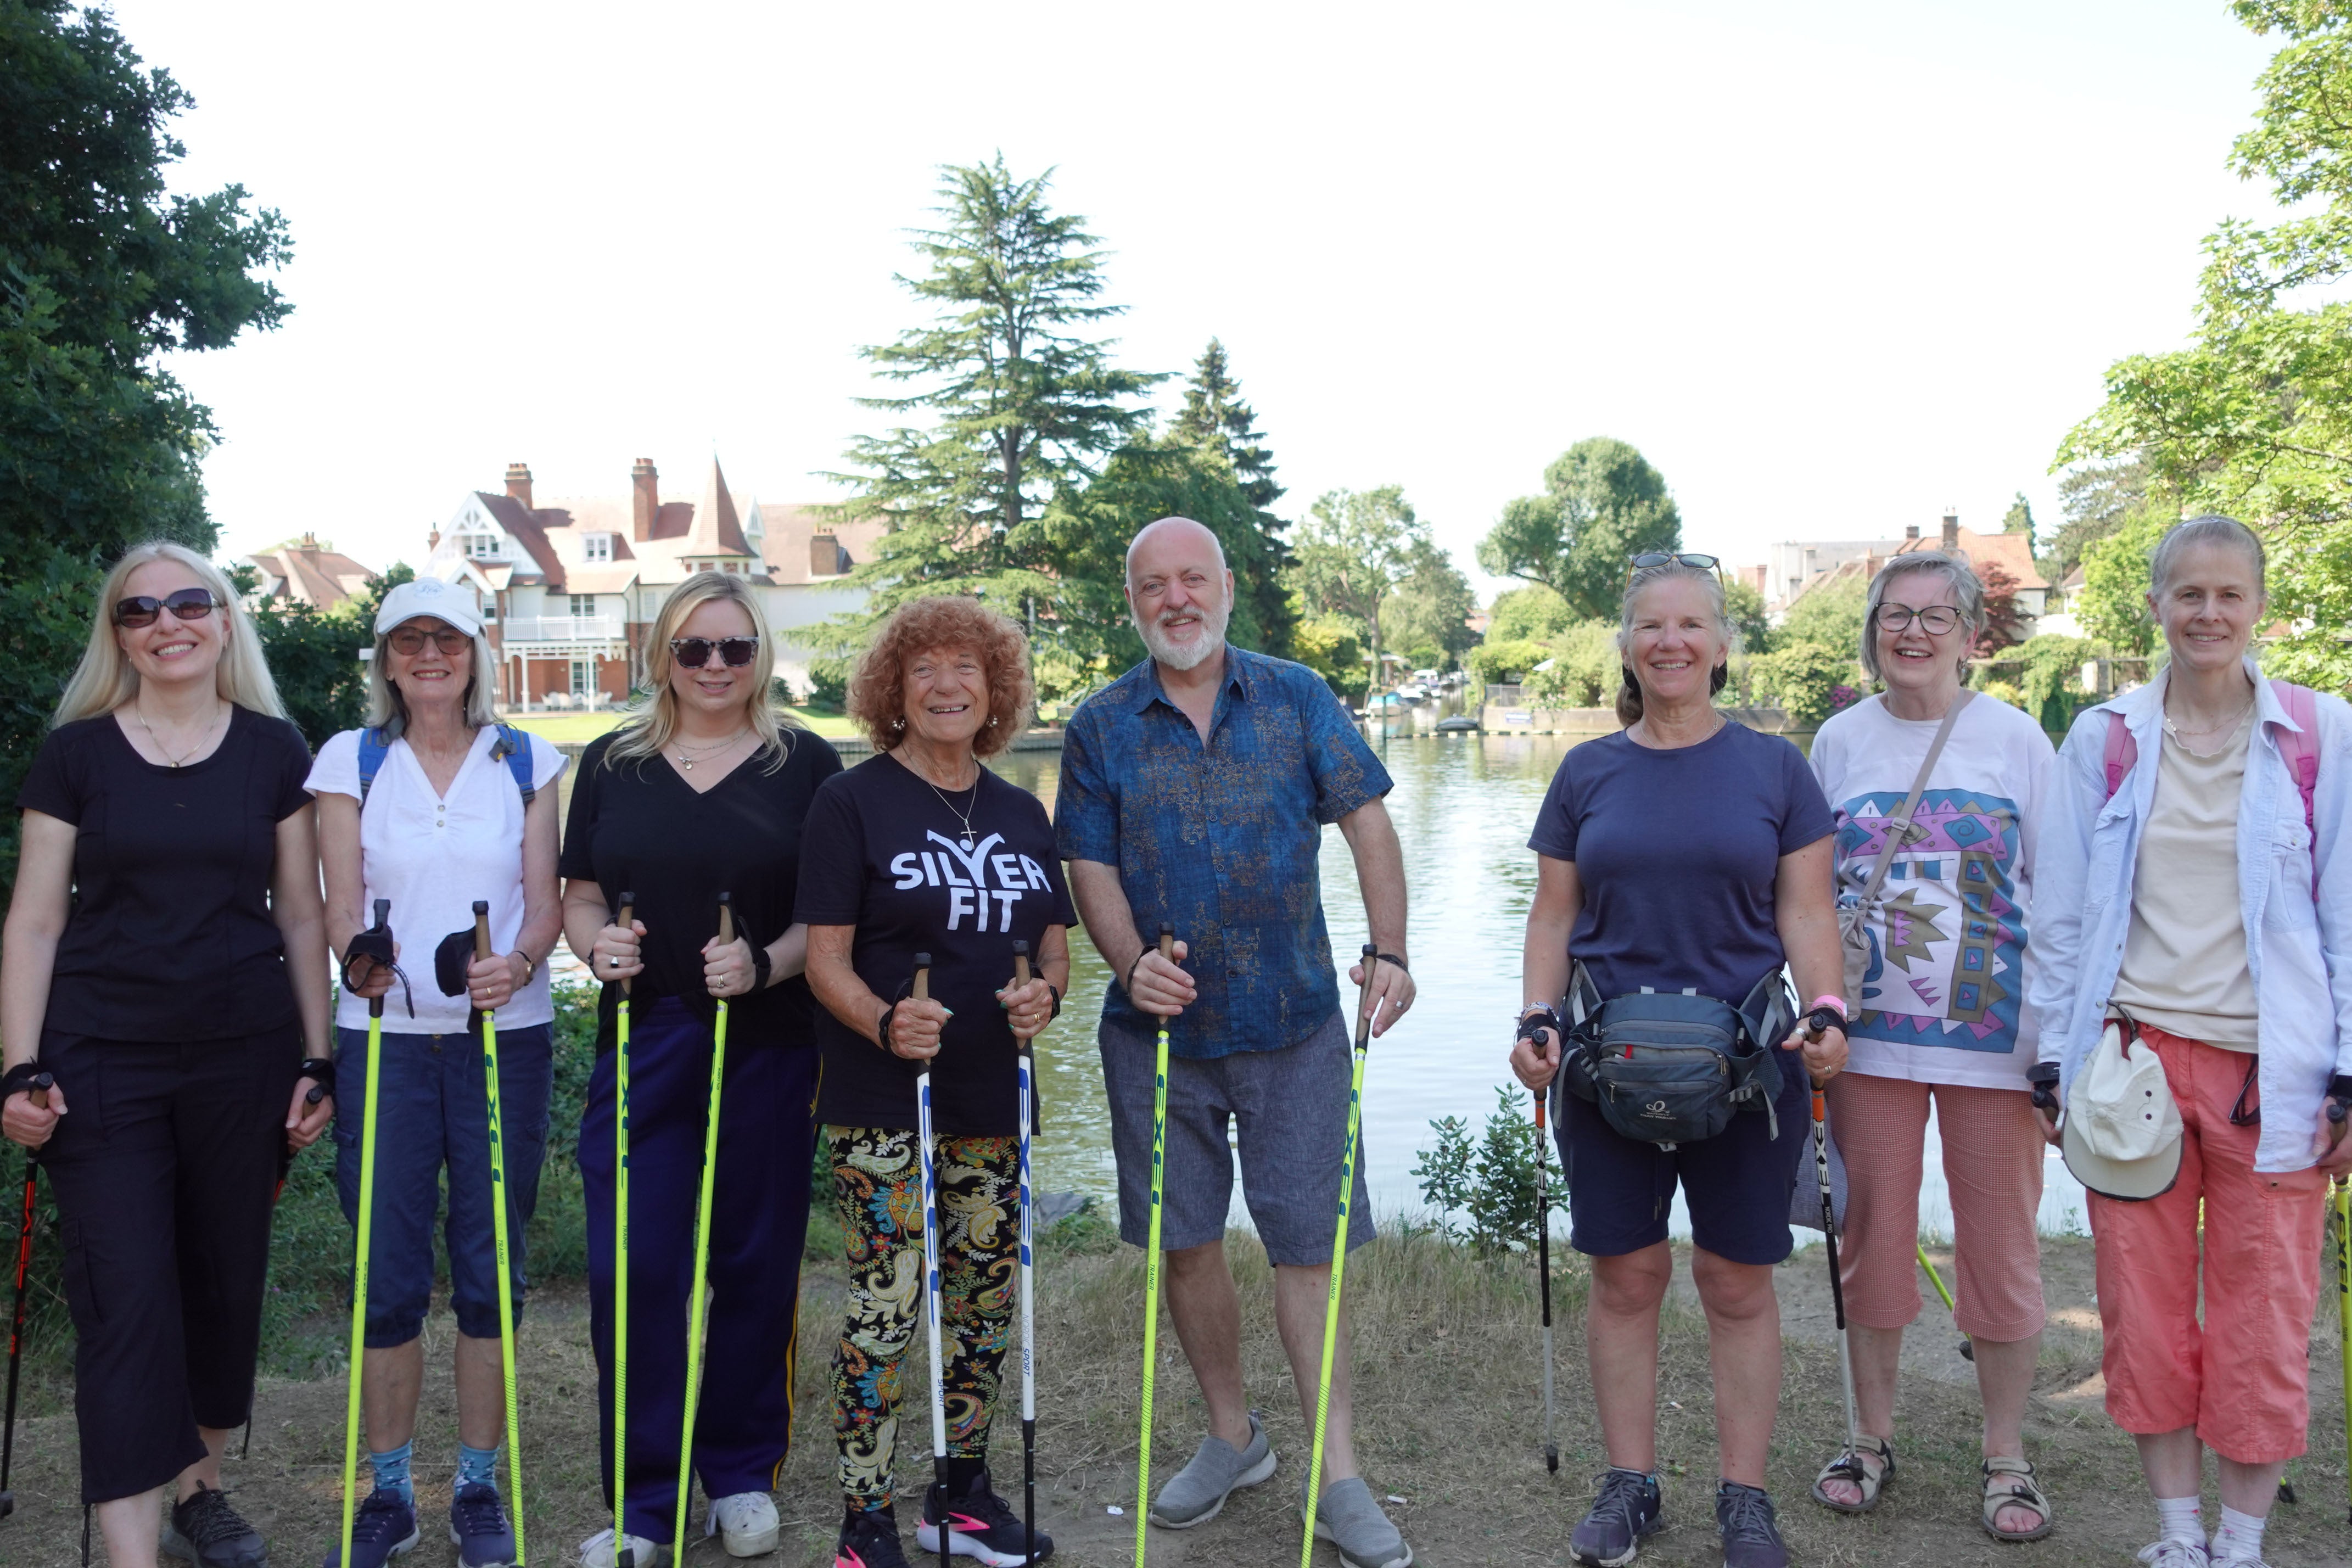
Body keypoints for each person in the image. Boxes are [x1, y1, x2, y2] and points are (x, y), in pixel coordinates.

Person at [1055, 516, 1417, 1568]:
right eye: (1154, 586)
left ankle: (1336, 1472)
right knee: (1186, 1242)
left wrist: (1388, 951)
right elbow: (1091, 870)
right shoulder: (1101, 724)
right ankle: (1233, 1437)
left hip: (1297, 1023)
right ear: (1135, 604)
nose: (1177, 599)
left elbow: (1371, 826)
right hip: (1158, 1036)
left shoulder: (1298, 695)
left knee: (1312, 1246)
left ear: (1223, 587)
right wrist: (1129, 965)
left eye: (1192, 579)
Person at [1508, 553, 1847, 1568]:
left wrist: (1827, 1011)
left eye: (1692, 624)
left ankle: (1745, 1498)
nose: (1671, 642)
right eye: (1651, 625)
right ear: (1626, 644)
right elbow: (1555, 913)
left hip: (1748, 1068)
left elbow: (1807, 908)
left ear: (1722, 645)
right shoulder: (1586, 773)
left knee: (1739, 1284)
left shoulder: (1776, 769)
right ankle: (1631, 1486)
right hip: (1607, 1066)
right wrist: (1537, 1016)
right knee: (1626, 1277)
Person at [0, 541, 333, 1568]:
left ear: (226, 620)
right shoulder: (76, 755)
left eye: (190, 603)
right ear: (118, 635)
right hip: (100, 1060)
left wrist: (320, 1059)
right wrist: (17, 1069)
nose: (167, 623)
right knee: (125, 1291)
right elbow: (35, 924)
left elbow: (303, 919)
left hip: (244, 1058)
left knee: (222, 1280)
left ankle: (202, 1490)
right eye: (139, 612)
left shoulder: (279, 751)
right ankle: (130, 1548)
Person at [2031, 515, 2352, 1568]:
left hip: (2280, 1078)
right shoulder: (2107, 740)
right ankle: (2176, 1534)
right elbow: (2065, 915)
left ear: (2260, 608)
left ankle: (2242, 1540)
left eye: (2229, 594)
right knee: (2145, 1310)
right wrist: (2052, 1057)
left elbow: (2348, 913)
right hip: (2137, 1068)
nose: (2208, 613)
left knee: (2267, 1318)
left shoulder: (2323, 736)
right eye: (2188, 594)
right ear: (2158, 606)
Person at [559, 570, 842, 1567]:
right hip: (645, 1040)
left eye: (735, 648)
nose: (716, 667)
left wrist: (766, 961)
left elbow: (830, 922)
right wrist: (595, 947)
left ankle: (738, 1474)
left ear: (759, 656)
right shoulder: (610, 764)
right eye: (695, 649)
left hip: (767, 1043)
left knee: (755, 1264)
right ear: (663, 656)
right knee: (632, 1267)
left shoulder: (805, 763)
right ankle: (644, 1499)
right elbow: (582, 896)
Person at [800, 595, 1074, 1568]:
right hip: (885, 1100)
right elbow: (824, 959)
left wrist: (1041, 995)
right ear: (895, 689)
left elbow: (1051, 952)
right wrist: (883, 1019)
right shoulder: (852, 800)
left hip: (992, 1099)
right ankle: (865, 1514)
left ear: (995, 689)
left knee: (983, 1298)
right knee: (887, 1304)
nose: (948, 685)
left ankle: (959, 1495)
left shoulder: (1019, 812)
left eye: (968, 667)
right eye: (926, 669)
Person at [309, 576, 568, 1568]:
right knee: (385, 1269)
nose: (429, 655)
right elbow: (341, 902)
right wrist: (356, 958)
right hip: (386, 1040)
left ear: (476, 651)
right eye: (408, 640)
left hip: (509, 1037)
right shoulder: (350, 758)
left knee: (488, 1269)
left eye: (447, 639)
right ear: (384, 658)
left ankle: (475, 1486)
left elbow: (544, 902)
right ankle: (387, 1491)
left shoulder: (531, 757)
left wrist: (523, 960)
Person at [1802, 551, 2058, 1539]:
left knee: (2002, 1250)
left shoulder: (2018, 740)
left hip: (2001, 1048)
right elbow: (1807, 892)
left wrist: (2059, 1043)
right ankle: (1869, 1439)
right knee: (1871, 1243)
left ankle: (2007, 1456)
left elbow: (2062, 895)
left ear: (1970, 634)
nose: (1912, 633)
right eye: (1894, 615)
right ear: (1871, 628)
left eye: (1935, 617)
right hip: (1865, 1045)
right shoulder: (1836, 742)